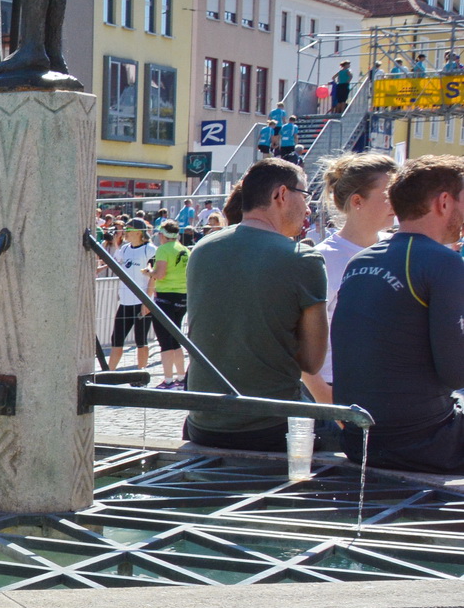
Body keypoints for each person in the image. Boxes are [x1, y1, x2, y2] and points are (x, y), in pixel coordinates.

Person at [183, 158, 329, 451]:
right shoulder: (302, 258)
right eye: (305, 195)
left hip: (203, 423)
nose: (308, 208)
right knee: (351, 433)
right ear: (281, 195)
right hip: (269, 426)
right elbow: (312, 362)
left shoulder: (202, 249)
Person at [332, 155, 464, 472]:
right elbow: (456, 374)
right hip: (426, 443)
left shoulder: (361, 260)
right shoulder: (443, 263)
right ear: (444, 202)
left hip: (359, 441)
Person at [313, 153, 398, 395]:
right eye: (389, 194)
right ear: (358, 201)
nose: (397, 202)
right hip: (336, 388)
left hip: (387, 389)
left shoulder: (399, 247)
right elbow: (298, 342)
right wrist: (327, 401)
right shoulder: (324, 258)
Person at [103, 219, 157, 372]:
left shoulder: (150, 249)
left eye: (128, 229)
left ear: (138, 232)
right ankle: (109, 373)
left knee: (141, 340)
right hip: (125, 302)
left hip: (142, 302)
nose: (125, 232)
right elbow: (116, 263)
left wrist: (147, 301)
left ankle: (141, 373)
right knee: (116, 339)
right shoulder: (125, 249)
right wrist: (115, 241)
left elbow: (153, 277)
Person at [147, 220, 192, 387]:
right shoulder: (184, 249)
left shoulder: (163, 249)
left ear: (162, 235)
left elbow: (160, 274)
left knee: (165, 340)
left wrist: (149, 272)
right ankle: (180, 377)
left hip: (165, 297)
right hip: (182, 297)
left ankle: (167, 379)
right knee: (175, 338)